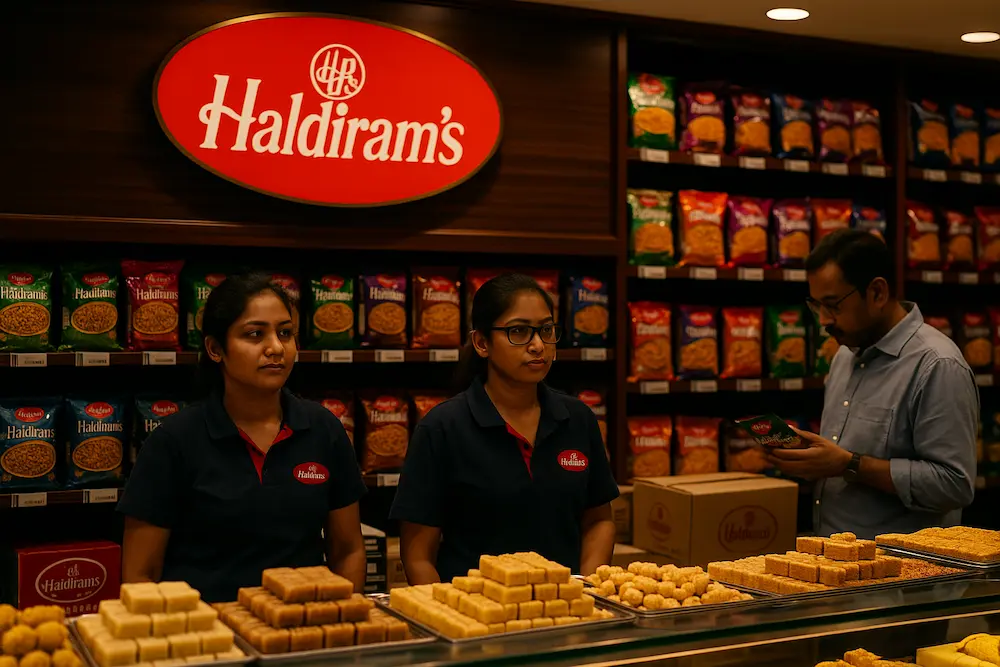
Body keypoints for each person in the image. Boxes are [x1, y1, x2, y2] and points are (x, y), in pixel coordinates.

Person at [118, 273, 367, 601]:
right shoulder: (173, 442)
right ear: (215, 348)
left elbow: (348, 550)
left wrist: (338, 622)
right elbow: (140, 574)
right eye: (255, 334)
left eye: (285, 333)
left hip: (301, 628)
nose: (275, 348)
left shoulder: (324, 429)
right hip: (207, 638)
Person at [390, 273, 618, 583]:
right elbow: (417, 555)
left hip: (566, 613)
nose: (538, 345)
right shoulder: (442, 428)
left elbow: (598, 521)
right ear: (482, 343)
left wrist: (588, 589)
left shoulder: (578, 419)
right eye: (519, 331)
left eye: (546, 330)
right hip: (475, 618)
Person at [768, 230, 978, 538]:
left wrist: (849, 465)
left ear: (877, 293)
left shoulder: (937, 365)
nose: (823, 320)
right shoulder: (843, 356)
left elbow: (954, 485)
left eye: (833, 305)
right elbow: (838, 462)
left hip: (904, 580)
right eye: (816, 306)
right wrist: (805, 458)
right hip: (838, 570)